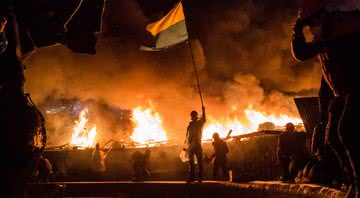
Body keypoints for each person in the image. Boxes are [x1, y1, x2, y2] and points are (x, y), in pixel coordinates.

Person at [291, 1, 360, 195]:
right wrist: (297, 34)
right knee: (332, 138)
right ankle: (353, 182)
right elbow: (302, 53)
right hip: (343, 93)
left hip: (357, 87)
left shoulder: (343, 27)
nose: (310, 27)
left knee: (346, 129)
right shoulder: (324, 36)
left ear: (321, 16)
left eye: (310, 22)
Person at [184, 106, 206, 182]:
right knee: (191, 162)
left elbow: (204, 119)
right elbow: (187, 137)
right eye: (192, 116)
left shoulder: (199, 123)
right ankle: (191, 178)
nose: (192, 117)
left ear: (195, 116)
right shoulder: (189, 126)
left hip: (197, 145)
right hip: (191, 146)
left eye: (193, 116)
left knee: (200, 162)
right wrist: (185, 146)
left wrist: (203, 110)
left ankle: (200, 178)